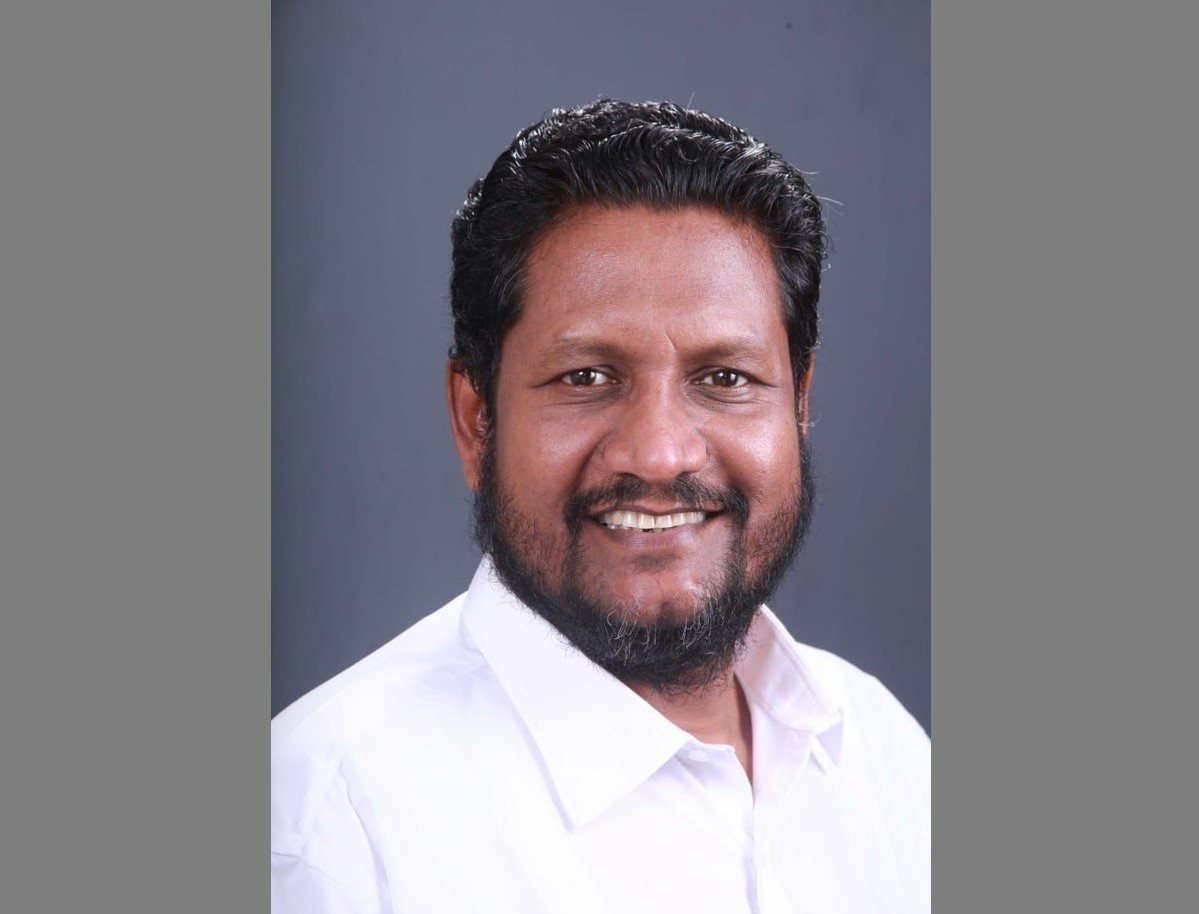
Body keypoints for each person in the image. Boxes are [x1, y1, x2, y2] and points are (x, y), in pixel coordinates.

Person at [271, 99, 930, 914]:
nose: (658, 454)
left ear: (797, 405)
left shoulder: (884, 752)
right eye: (585, 377)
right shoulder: (326, 830)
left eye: (725, 377)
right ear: (475, 419)